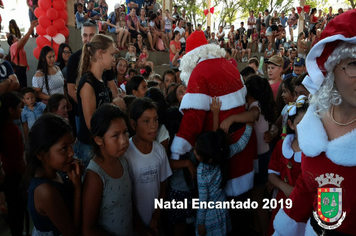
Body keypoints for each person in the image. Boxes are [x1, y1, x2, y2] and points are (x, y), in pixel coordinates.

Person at [273, 10, 356, 235]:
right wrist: (284, 227)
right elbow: (308, 185)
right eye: (354, 64)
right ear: (332, 71)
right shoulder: (314, 121)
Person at [170, 30, 256, 202]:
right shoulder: (229, 65)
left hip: (216, 150)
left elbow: (193, 118)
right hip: (242, 143)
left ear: (191, 56)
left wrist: (178, 148)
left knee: (216, 199)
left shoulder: (199, 71)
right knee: (242, 203)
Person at [23, 114, 82, 236]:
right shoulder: (45, 191)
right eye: (64, 148)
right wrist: (77, 188)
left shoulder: (56, 172)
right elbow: (73, 232)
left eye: (71, 145)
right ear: (41, 154)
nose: (72, 153)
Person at [82, 104, 133, 235]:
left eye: (125, 132)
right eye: (116, 135)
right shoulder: (95, 176)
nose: (124, 141)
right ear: (99, 140)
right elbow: (88, 229)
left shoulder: (122, 160)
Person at [125, 98, 172, 235]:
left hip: (155, 220)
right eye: (146, 121)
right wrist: (139, 226)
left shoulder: (159, 150)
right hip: (134, 224)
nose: (153, 126)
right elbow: (127, 196)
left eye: (155, 119)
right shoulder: (126, 153)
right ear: (133, 125)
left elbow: (163, 187)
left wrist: (155, 217)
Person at [268, 95, 308, 235]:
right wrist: (283, 186)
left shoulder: (316, 151)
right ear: (291, 125)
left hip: (305, 206)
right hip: (282, 202)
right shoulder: (281, 146)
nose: (306, 128)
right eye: (301, 124)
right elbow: (272, 174)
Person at [75, 34, 116, 169]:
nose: (113, 59)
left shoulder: (100, 80)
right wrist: (114, 106)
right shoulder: (88, 83)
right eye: (111, 54)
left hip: (98, 145)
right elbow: (91, 123)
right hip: (89, 147)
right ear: (100, 54)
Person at [194, 129, 232, 236]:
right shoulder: (223, 154)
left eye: (197, 152)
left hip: (209, 218)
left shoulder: (201, 173)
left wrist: (200, 223)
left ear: (209, 159)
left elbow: (203, 201)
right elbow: (240, 145)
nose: (194, 152)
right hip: (222, 210)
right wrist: (248, 126)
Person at [0, 92, 26, 236]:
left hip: (5, 174)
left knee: (11, 204)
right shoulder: (11, 130)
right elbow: (18, 160)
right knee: (17, 208)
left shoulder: (3, 127)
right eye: (19, 108)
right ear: (11, 110)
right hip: (14, 175)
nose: (21, 110)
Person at [7, 20, 37, 88]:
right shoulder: (13, 46)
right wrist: (31, 28)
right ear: (12, 41)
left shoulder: (20, 47)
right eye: (15, 37)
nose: (17, 38)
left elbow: (25, 40)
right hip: (18, 70)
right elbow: (23, 39)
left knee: (23, 87)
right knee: (20, 88)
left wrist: (31, 28)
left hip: (22, 70)